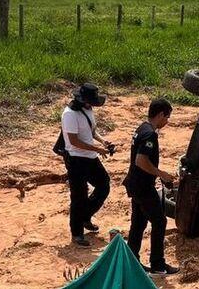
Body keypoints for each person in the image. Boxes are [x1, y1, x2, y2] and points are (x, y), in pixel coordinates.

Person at [124, 99, 179, 275]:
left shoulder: (141, 128)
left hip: (135, 183)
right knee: (160, 221)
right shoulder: (150, 134)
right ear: (161, 114)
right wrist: (161, 173)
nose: (167, 121)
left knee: (138, 223)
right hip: (143, 186)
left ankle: (131, 262)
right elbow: (141, 160)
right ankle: (158, 264)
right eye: (167, 117)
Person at [61, 83, 114, 247]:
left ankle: (85, 216)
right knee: (79, 196)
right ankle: (77, 234)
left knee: (104, 185)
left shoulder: (87, 109)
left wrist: (103, 141)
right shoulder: (70, 114)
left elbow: (91, 131)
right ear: (83, 100)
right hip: (76, 159)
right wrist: (98, 149)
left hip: (90, 157)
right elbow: (74, 141)